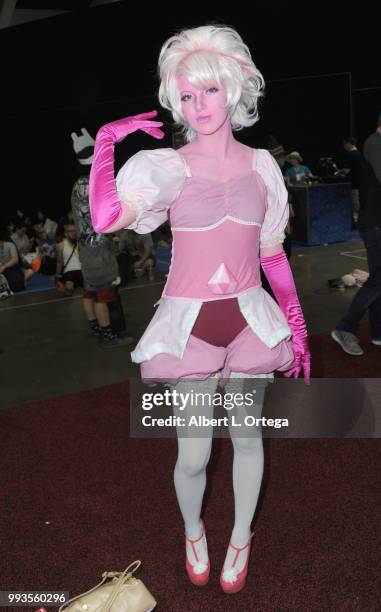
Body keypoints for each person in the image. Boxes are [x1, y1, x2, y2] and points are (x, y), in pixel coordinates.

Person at [89, 24, 310, 594]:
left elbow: (271, 255)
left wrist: (298, 326)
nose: (199, 104)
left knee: (247, 441)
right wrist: (109, 144)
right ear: (175, 101)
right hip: (189, 329)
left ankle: (240, 536)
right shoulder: (167, 165)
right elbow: (106, 219)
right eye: (186, 94)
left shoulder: (264, 166)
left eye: (209, 90)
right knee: (192, 456)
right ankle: (193, 528)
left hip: (249, 324)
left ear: (235, 89)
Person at [70, 127, 134, 348]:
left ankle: (95, 327)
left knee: (90, 290)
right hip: (99, 250)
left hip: (85, 248)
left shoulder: (77, 185)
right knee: (103, 295)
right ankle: (108, 336)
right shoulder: (95, 184)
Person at [331, 113, 381, 354]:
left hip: (374, 221)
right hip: (375, 222)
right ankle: (346, 327)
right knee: (379, 278)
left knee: (379, 279)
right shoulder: (375, 142)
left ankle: (378, 332)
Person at [336, 137, 365, 224]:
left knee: (356, 206)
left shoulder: (352, 154)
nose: (344, 146)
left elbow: (346, 170)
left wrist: (338, 172)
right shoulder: (360, 153)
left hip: (355, 185)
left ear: (349, 144)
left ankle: (359, 224)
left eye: (344, 144)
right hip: (361, 184)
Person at [55, 223, 83, 296]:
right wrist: (57, 275)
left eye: (74, 231)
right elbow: (59, 262)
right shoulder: (60, 245)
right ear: (65, 234)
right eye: (70, 231)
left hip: (82, 271)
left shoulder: (81, 243)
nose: (73, 233)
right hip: (69, 272)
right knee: (68, 291)